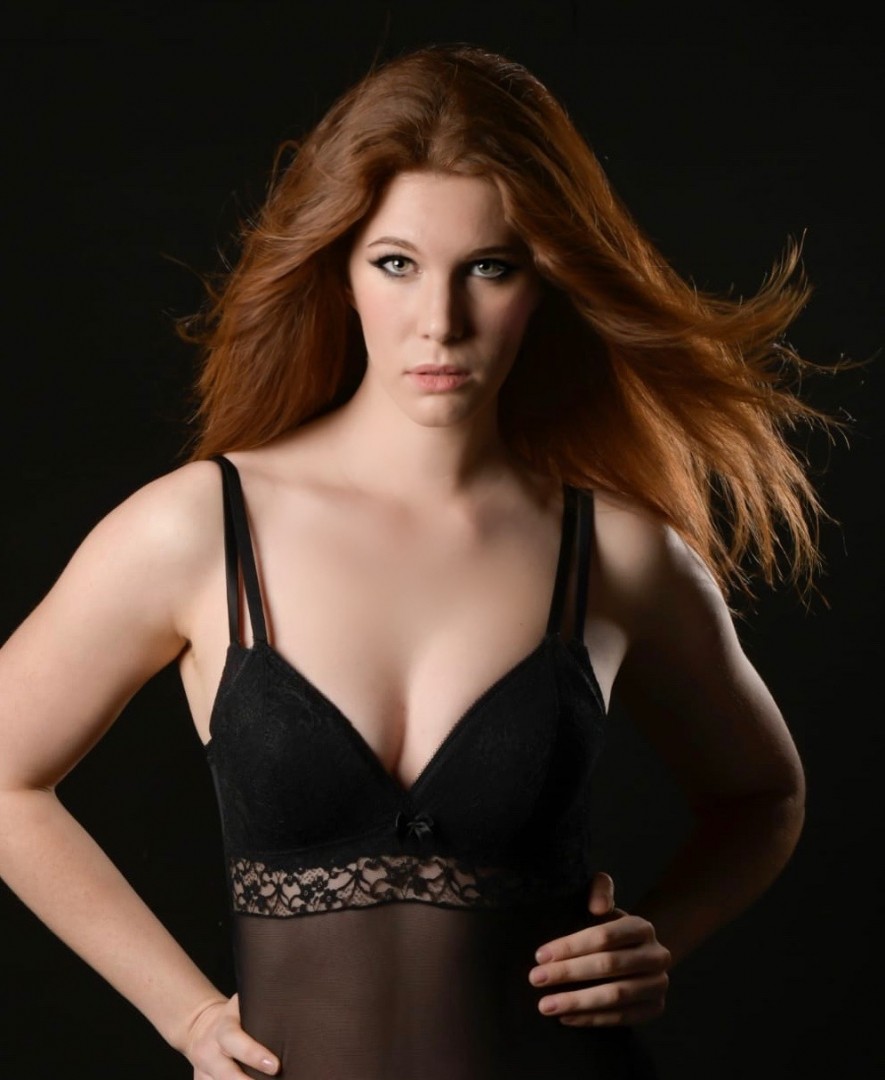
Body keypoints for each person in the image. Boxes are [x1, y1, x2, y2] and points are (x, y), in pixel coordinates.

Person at [0, 41, 834, 1080]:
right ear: (339, 270)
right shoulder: (199, 530)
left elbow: (764, 798)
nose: (440, 322)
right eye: (396, 263)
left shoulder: (618, 554)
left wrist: (657, 938)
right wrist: (188, 1016)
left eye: (490, 267)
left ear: (545, 281)